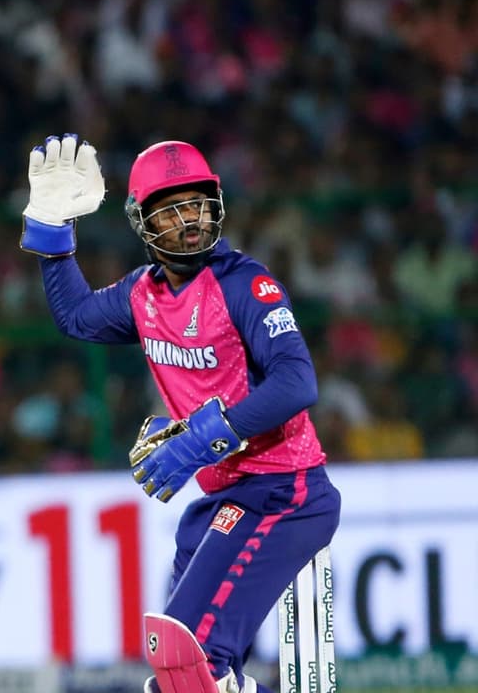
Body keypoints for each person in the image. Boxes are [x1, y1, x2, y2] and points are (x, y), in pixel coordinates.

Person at [17, 135, 341, 693]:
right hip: (224, 498)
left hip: (284, 492)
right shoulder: (142, 295)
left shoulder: (245, 283)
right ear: (141, 222)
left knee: (192, 659)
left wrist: (200, 439)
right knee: (181, 670)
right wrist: (52, 233)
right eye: (170, 211)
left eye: (197, 205)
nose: (189, 221)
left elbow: (297, 382)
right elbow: (74, 316)